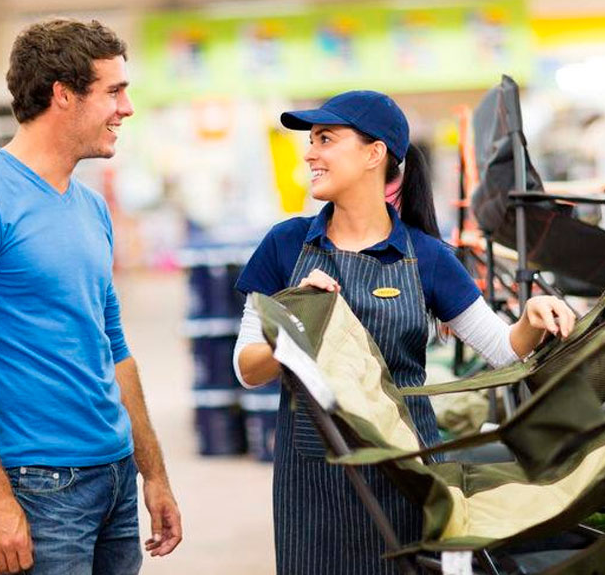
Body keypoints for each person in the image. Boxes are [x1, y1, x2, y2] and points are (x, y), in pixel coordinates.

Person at [233, 90, 575, 575]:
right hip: (312, 474)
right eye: (310, 140)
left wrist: (532, 316)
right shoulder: (284, 246)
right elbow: (247, 368)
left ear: (375, 154)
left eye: (326, 138)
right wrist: (296, 324)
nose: (310, 152)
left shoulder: (428, 256)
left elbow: (504, 351)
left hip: (406, 469)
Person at [0, 19, 181, 575]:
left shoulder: (89, 208)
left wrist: (152, 473)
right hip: (42, 487)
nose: (127, 108)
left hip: (114, 477)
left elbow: (114, 347)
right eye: (114, 91)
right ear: (63, 95)